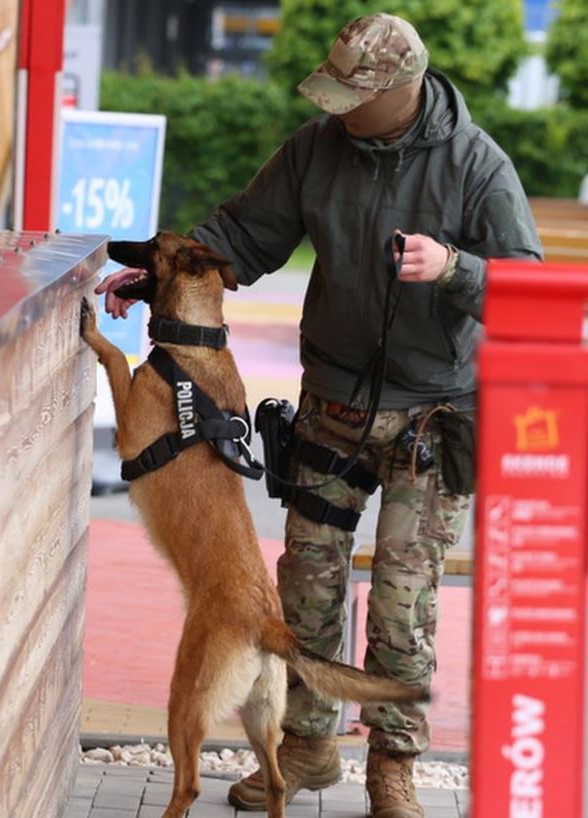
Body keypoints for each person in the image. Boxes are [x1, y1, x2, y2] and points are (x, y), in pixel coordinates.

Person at [98, 13, 541, 818]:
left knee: (406, 598)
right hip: (334, 402)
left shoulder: (478, 166)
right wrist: (161, 277)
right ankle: (305, 750)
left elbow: (528, 288)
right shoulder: (316, 149)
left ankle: (392, 768)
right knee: (302, 583)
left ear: (401, 89)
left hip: (433, 416)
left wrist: (454, 267)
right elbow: (241, 233)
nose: (338, 108)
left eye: (353, 95)